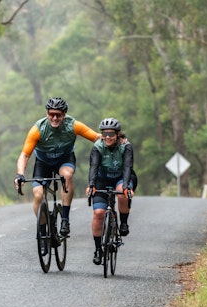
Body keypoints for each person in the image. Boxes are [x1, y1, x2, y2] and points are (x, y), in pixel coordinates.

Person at [15, 97, 101, 236]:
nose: (54, 118)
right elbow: (25, 155)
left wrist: (116, 137)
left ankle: (65, 219)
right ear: (47, 113)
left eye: (58, 115)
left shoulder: (73, 125)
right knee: (38, 195)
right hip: (43, 163)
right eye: (51, 114)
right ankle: (43, 231)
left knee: (66, 176)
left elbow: (97, 138)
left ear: (64, 114)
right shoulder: (38, 129)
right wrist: (20, 174)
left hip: (64, 159)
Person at [86, 117, 137, 265]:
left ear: (117, 134)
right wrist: (91, 184)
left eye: (111, 134)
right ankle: (97, 249)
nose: (108, 137)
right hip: (102, 179)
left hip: (122, 178)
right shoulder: (98, 146)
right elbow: (93, 166)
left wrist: (127, 186)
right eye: (105, 134)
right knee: (98, 213)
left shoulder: (125, 146)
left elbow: (128, 166)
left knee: (121, 193)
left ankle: (124, 223)